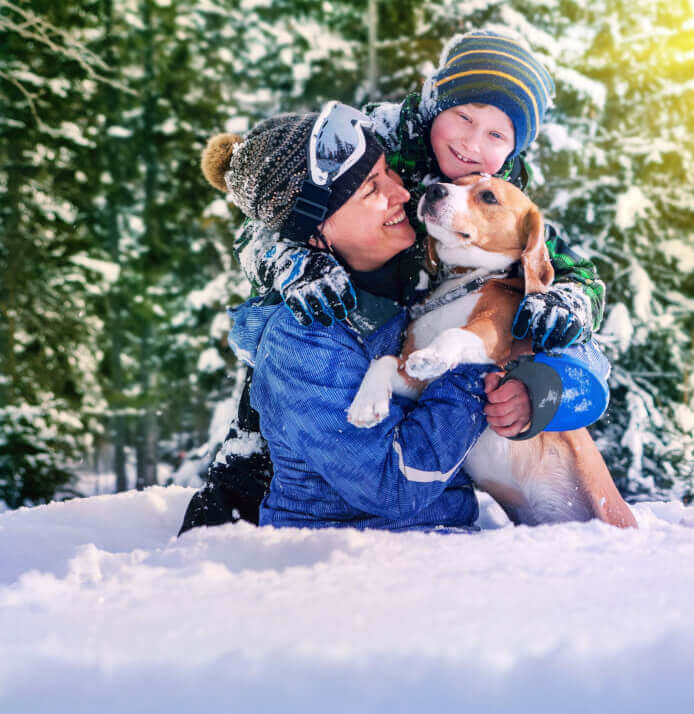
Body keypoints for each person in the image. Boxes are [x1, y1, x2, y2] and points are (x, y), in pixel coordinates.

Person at [178, 29, 608, 531]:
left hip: (408, 337)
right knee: (296, 375)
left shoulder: (498, 193)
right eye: (464, 118)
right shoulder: (375, 142)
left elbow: (560, 278)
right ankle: (235, 498)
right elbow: (271, 221)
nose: (472, 145)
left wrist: (552, 355)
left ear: (513, 148)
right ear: (434, 102)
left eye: (497, 135)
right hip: (341, 314)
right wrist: (297, 266)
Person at [192, 109, 531, 530]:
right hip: (343, 558)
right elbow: (396, 486)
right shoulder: (303, 338)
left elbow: (551, 289)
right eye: (372, 189)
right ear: (317, 235)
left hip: (433, 544)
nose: (403, 194)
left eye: (388, 171)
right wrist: (476, 370)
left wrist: (543, 384)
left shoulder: (405, 285)